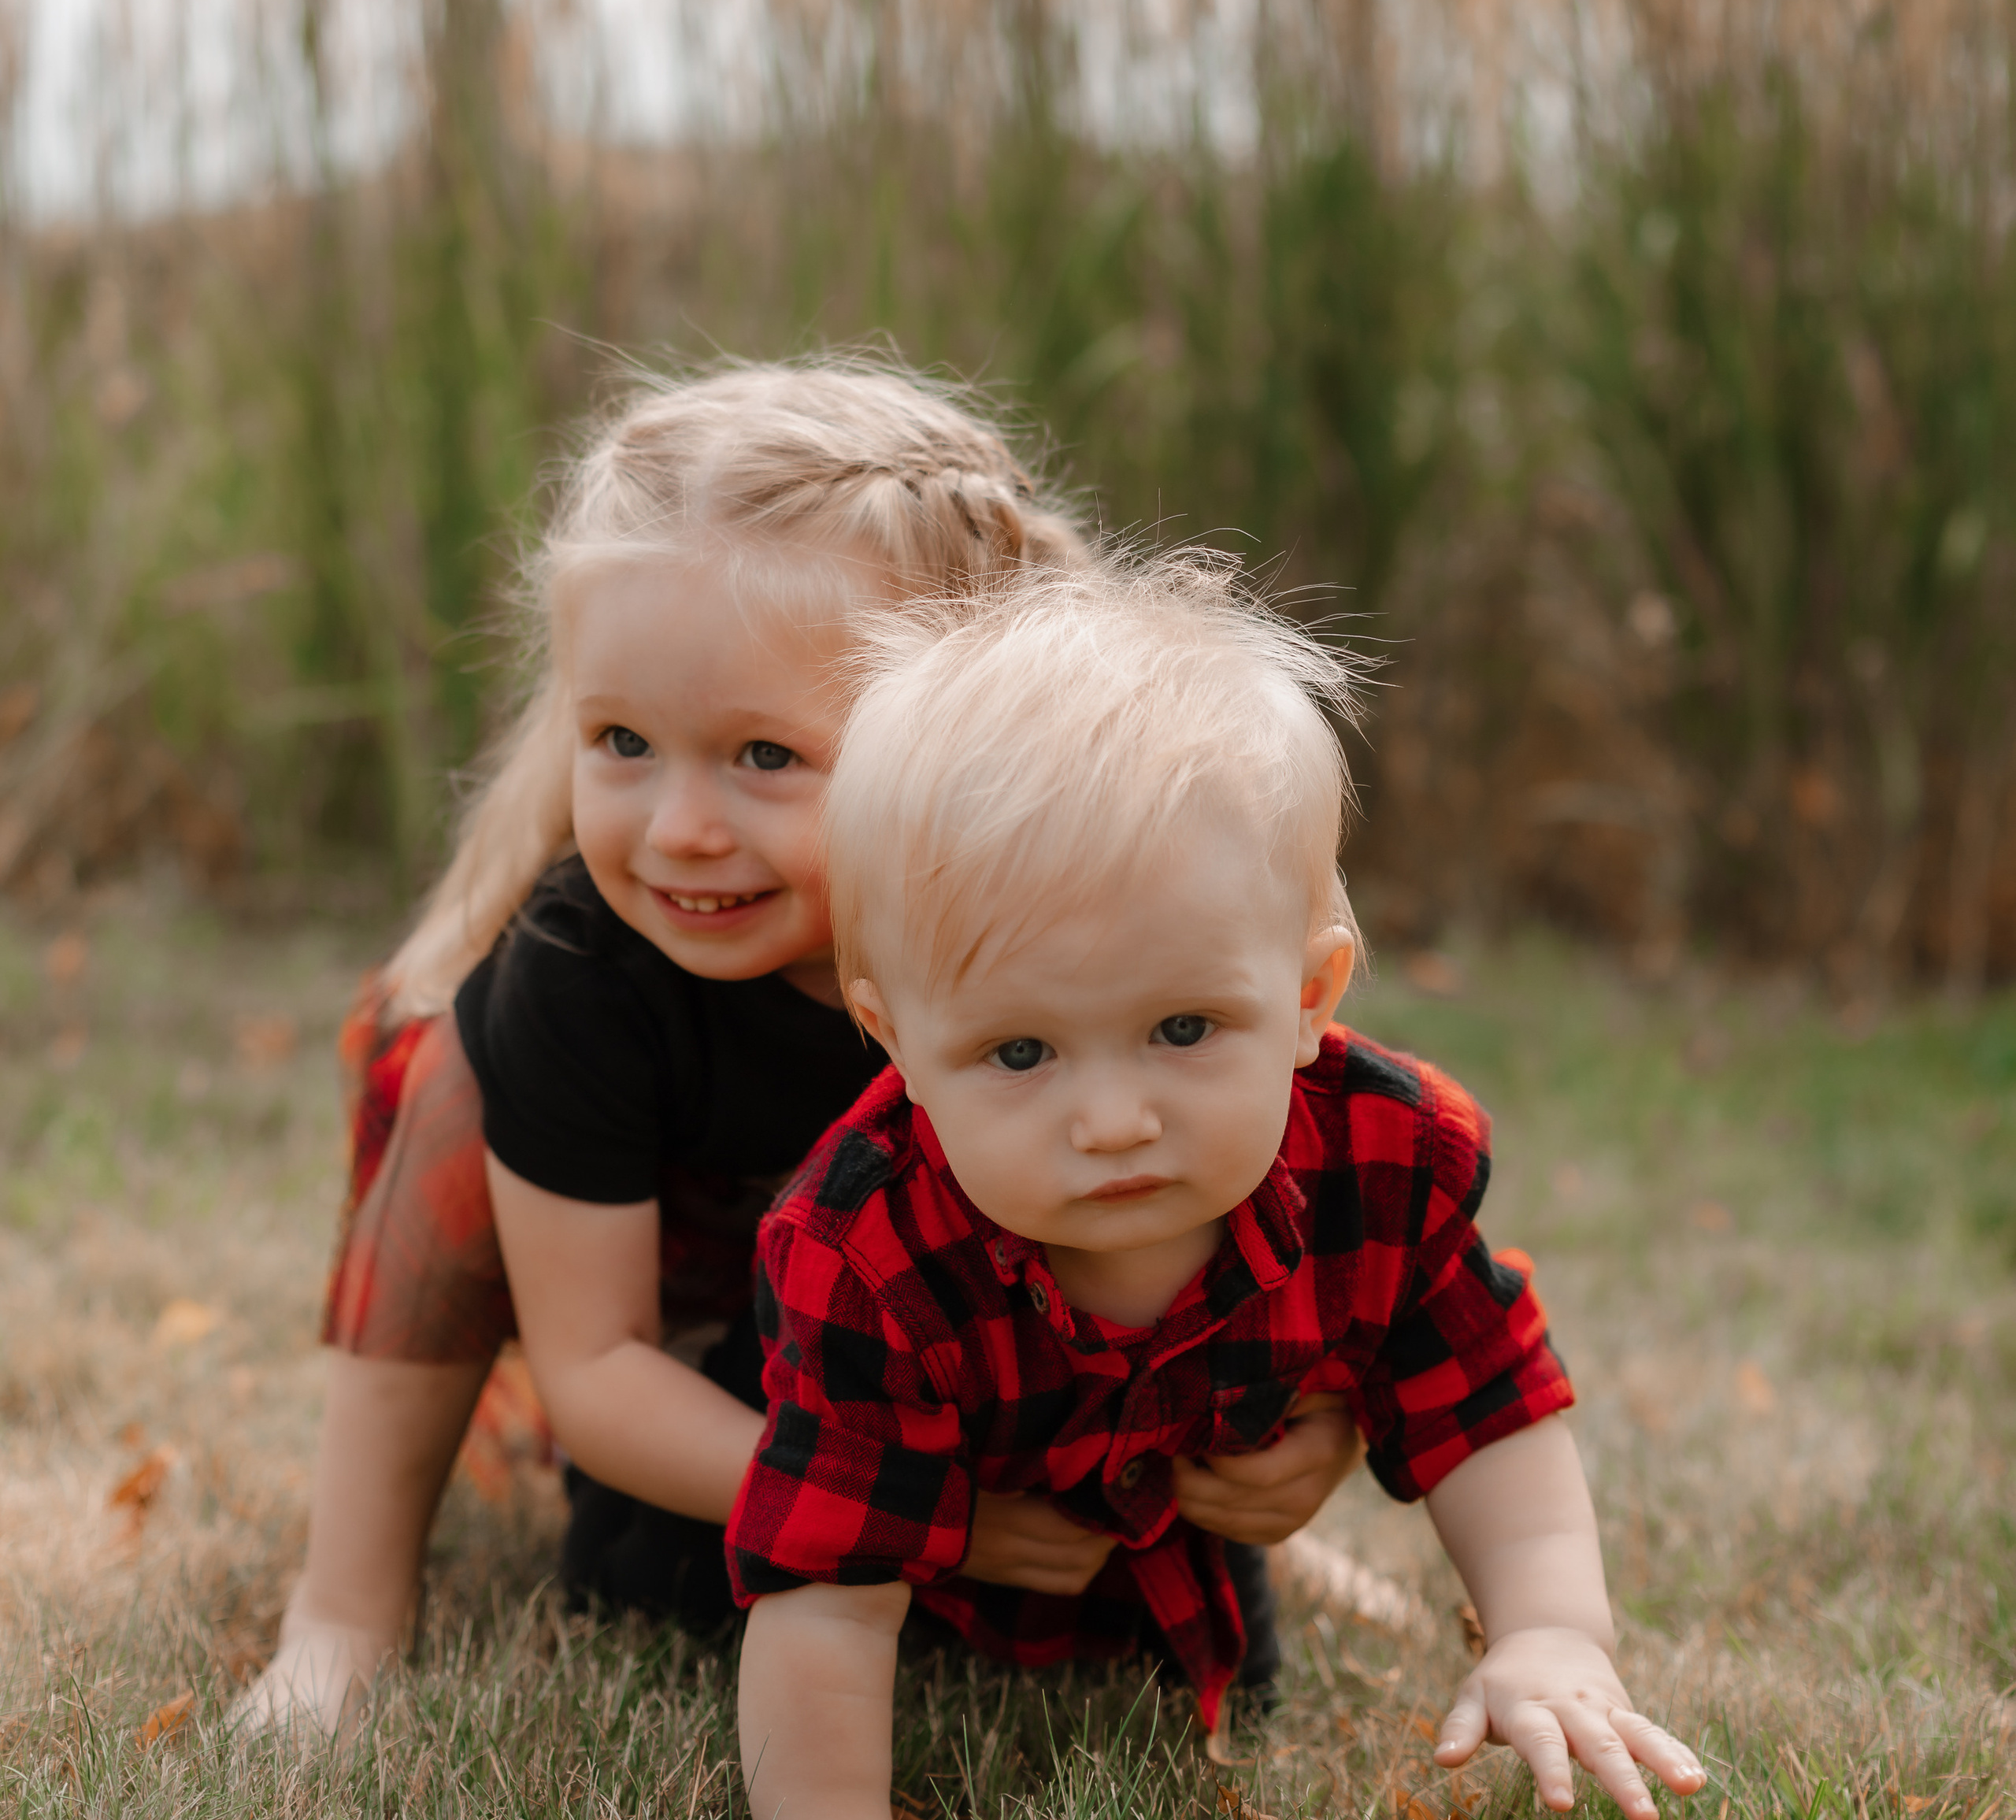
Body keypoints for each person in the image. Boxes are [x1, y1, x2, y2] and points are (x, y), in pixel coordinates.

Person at [233, 361, 1358, 1735]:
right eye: (623, 741)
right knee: (450, 1079)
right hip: (700, 1345)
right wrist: (938, 1518)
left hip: (960, 1352)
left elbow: (1309, 1214)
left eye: (766, 757)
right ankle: (342, 1610)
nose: (682, 827)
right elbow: (601, 1377)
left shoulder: (1076, 926)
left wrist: (1319, 1437)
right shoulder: (581, 975)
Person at [728, 555, 1707, 1820]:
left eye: (1185, 1030)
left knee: (1223, 1667)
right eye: (1019, 1051)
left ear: (1309, 995)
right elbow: (826, 1592)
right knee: (682, 1585)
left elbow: (1486, 1409)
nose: (1115, 1119)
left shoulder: (1379, 1156)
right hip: (941, 1588)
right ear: (896, 1043)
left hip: (1169, 1570)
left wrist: (1552, 1632)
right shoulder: (867, 1244)